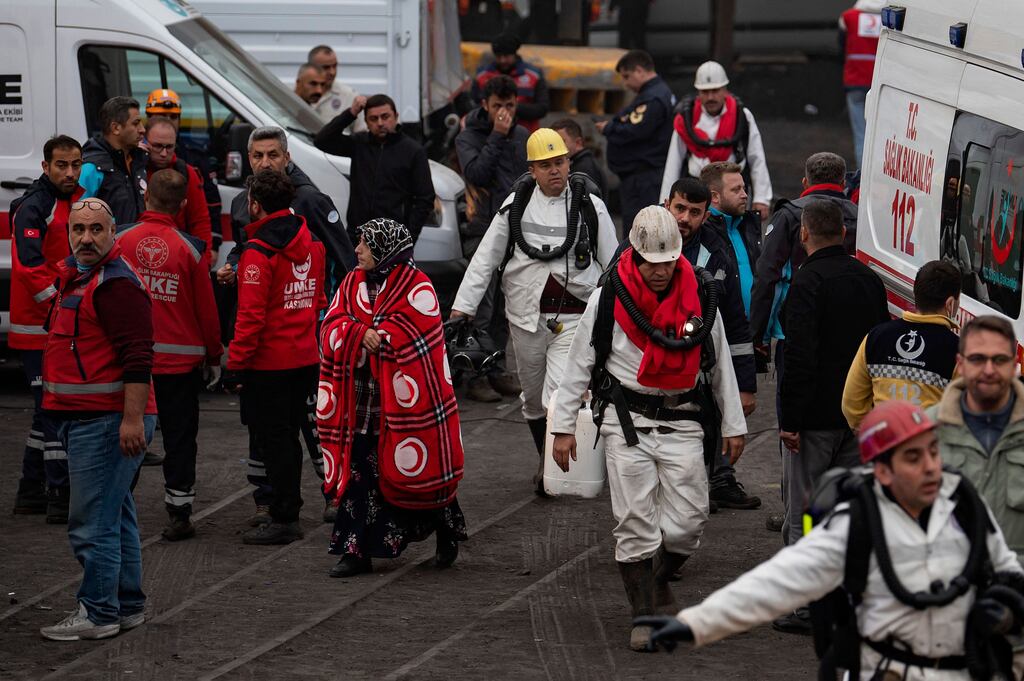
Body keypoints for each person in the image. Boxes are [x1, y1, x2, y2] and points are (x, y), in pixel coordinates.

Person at [637, 400, 1024, 681]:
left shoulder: (966, 508)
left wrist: (1002, 610)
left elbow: (1006, 570)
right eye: (912, 457)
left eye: (934, 452)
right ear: (882, 471)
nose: (929, 467)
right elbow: (773, 586)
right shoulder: (851, 526)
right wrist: (695, 625)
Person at [550, 205, 746, 651]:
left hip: (684, 417)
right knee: (635, 519)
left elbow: (720, 365)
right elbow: (579, 362)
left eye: (668, 262)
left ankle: (659, 578)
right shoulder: (607, 298)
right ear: (636, 255)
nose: (660, 271)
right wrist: (562, 428)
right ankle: (643, 614)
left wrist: (734, 423)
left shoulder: (701, 295)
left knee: (689, 522)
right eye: (652, 263)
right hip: (627, 421)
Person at [451, 128, 617, 494]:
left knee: (558, 393)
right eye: (546, 165)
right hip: (526, 318)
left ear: (569, 163)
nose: (554, 171)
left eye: (559, 162)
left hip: (574, 318)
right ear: (533, 170)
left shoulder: (590, 206)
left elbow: (614, 260)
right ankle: (546, 456)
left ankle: (551, 472)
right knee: (532, 397)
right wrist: (462, 309)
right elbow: (485, 259)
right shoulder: (515, 206)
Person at [317, 218, 468, 577]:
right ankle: (356, 552)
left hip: (404, 407)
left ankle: (445, 530)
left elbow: (421, 335)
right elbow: (332, 324)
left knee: (418, 472)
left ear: (384, 250)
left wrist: (381, 336)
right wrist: (358, 333)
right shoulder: (351, 282)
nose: (357, 251)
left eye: (365, 245)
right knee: (363, 476)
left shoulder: (418, 286)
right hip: (362, 404)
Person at [217, 127, 351, 525]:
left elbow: (340, 260)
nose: (264, 163)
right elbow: (251, 248)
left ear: (288, 157)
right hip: (279, 345)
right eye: (257, 156)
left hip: (300, 341)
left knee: (311, 423)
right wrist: (236, 266)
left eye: (272, 155)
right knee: (268, 429)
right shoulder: (245, 202)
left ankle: (331, 494)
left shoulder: (309, 200)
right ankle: (268, 498)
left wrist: (336, 321)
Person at [38, 197, 158, 641]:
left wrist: (131, 421)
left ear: (113, 234)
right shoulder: (82, 279)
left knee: (92, 524)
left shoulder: (115, 285)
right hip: (90, 420)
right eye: (78, 229)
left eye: (96, 230)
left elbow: (138, 357)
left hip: (105, 424)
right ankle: (125, 606)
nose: (86, 238)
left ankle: (99, 612)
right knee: (116, 515)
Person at [775, 200, 888, 633]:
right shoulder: (867, 280)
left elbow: (800, 354)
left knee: (804, 512)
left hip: (815, 418)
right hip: (858, 417)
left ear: (804, 234)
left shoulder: (807, 282)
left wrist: (790, 418)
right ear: (843, 233)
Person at [116, 169, 223, 542]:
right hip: (179, 365)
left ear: (146, 199)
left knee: (127, 434)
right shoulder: (191, 249)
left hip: (129, 363)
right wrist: (214, 355)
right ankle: (179, 511)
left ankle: (117, 503)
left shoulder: (119, 241)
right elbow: (207, 312)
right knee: (180, 438)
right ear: (181, 206)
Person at [222, 170, 326, 545]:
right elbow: (317, 300)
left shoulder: (257, 253)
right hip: (305, 358)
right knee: (300, 437)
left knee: (277, 442)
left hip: (269, 365)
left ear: (254, 204)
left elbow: (250, 318)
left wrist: (236, 364)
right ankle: (297, 507)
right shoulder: (313, 242)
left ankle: (284, 517)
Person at [664, 178, 761, 512]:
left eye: (694, 212)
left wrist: (744, 386)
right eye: (680, 208)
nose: (685, 218)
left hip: (699, 362)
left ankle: (712, 484)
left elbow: (734, 322)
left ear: (706, 215)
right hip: (645, 362)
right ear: (667, 205)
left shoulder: (717, 256)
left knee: (703, 429)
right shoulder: (639, 242)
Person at [9, 135, 83, 522]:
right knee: (53, 410)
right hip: (38, 327)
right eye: (61, 166)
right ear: (45, 167)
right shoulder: (33, 207)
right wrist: (61, 306)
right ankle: (58, 495)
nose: (70, 172)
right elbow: (29, 268)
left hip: (59, 324)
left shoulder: (77, 201)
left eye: (75, 165)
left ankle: (29, 491)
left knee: (46, 412)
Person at [456, 74, 530, 403]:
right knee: (481, 310)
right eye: (498, 106)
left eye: (510, 106)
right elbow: (477, 174)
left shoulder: (524, 136)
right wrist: (497, 136)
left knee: (504, 310)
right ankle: (474, 376)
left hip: (516, 233)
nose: (505, 112)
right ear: (484, 105)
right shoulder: (468, 137)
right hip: (482, 229)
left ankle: (496, 369)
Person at [749, 152, 857, 362]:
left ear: (805, 182)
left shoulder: (789, 215)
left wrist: (757, 335)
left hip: (795, 327)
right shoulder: (861, 216)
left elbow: (767, 276)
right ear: (843, 182)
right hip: (847, 327)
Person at [932, 315, 1024, 557]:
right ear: (960, 364)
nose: (989, 370)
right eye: (978, 359)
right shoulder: (925, 431)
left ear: (1014, 364)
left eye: (1000, 360)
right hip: (943, 587)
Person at [843, 260, 961, 430]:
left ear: (916, 295)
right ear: (950, 304)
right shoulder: (959, 350)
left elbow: (851, 403)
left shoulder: (876, 337)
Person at [313, 93, 436, 243]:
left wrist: (408, 237)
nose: (380, 123)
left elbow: (425, 198)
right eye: (373, 119)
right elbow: (322, 140)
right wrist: (351, 113)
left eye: (385, 117)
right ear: (366, 122)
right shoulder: (359, 144)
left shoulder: (413, 151)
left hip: (392, 239)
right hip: (358, 236)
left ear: (396, 116)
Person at [660, 61, 773, 221]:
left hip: (732, 191)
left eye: (715, 90)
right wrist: (665, 203)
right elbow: (674, 161)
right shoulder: (686, 120)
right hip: (695, 192)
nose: (710, 97)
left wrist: (761, 198)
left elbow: (756, 157)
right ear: (698, 92)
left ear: (725, 89)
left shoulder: (742, 116)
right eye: (705, 92)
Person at [599, 50, 674, 235]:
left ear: (640, 70)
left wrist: (609, 128)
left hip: (643, 178)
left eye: (627, 76)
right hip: (640, 177)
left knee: (639, 232)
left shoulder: (653, 98)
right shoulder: (654, 93)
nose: (625, 83)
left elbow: (635, 130)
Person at [144, 89, 222, 262]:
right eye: (157, 146)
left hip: (177, 255)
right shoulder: (134, 167)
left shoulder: (189, 167)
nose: (164, 153)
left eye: (172, 117)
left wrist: (206, 257)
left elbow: (202, 216)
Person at [699, 162, 760, 321]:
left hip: (751, 333)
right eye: (736, 190)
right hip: (718, 332)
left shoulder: (748, 225)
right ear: (714, 197)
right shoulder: (700, 232)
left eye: (744, 188)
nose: (745, 195)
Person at [79, 97, 147, 225]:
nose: (142, 129)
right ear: (115, 128)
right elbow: (78, 218)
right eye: (136, 123)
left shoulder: (139, 160)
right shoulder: (91, 168)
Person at [471, 32, 549, 133]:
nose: (503, 60)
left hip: (527, 135)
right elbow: (473, 105)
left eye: (506, 56)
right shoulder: (482, 75)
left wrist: (512, 108)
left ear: (515, 54)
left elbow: (543, 108)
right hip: (489, 134)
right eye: (499, 56)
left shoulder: (533, 75)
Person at [839, 1, 883, 168]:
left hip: (855, 80)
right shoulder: (891, 17)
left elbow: (841, 47)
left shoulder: (848, 17)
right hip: (881, 83)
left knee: (861, 135)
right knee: (881, 134)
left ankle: (862, 179)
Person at [307, 45, 367, 132]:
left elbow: (361, 133)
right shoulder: (298, 93)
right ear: (311, 67)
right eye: (326, 67)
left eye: (334, 66)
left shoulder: (350, 96)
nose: (332, 72)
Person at [551, 118, 607, 198]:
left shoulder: (583, 169)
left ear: (578, 143)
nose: (555, 147)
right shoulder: (581, 164)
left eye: (561, 142)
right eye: (553, 143)